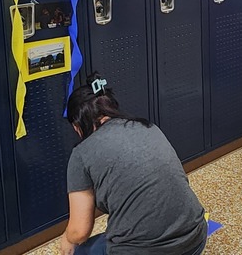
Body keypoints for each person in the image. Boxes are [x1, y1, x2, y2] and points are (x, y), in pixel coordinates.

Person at [60, 73, 207, 255]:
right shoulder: (147, 127)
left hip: (150, 251)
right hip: (195, 239)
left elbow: (79, 232)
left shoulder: (81, 153)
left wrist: (67, 238)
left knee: (76, 250)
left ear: (77, 126)